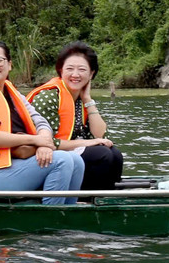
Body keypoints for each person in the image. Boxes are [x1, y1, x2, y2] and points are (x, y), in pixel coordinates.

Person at [0, 41, 84, 205]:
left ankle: (67, 213)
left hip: (17, 165)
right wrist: (34, 140)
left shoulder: (13, 94)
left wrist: (44, 144)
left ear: (9, 64)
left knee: (76, 160)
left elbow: (41, 122)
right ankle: (51, 220)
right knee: (61, 160)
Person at [27, 42, 124, 192]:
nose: (75, 74)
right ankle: (86, 200)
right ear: (60, 70)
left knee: (115, 155)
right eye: (70, 69)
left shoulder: (79, 98)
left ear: (91, 74)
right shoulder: (48, 97)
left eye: (82, 69)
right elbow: (46, 141)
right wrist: (92, 142)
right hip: (43, 155)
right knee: (103, 155)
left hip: (70, 150)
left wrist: (87, 99)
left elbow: (101, 135)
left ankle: (104, 198)